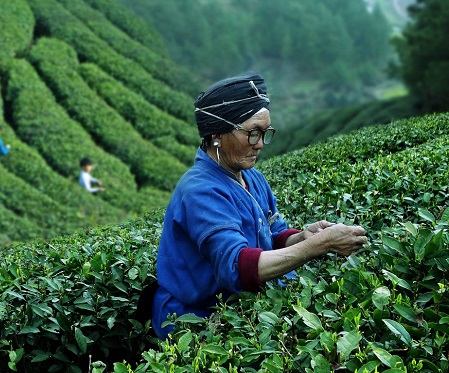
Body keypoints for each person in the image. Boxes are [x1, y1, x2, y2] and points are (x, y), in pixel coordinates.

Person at [150, 72, 367, 340]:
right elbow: (236, 266)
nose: (261, 144)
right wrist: (320, 246)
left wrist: (303, 236)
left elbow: (273, 234)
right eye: (253, 133)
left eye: (265, 133)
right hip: (194, 319)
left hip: (240, 307)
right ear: (217, 135)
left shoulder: (250, 176)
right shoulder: (201, 190)